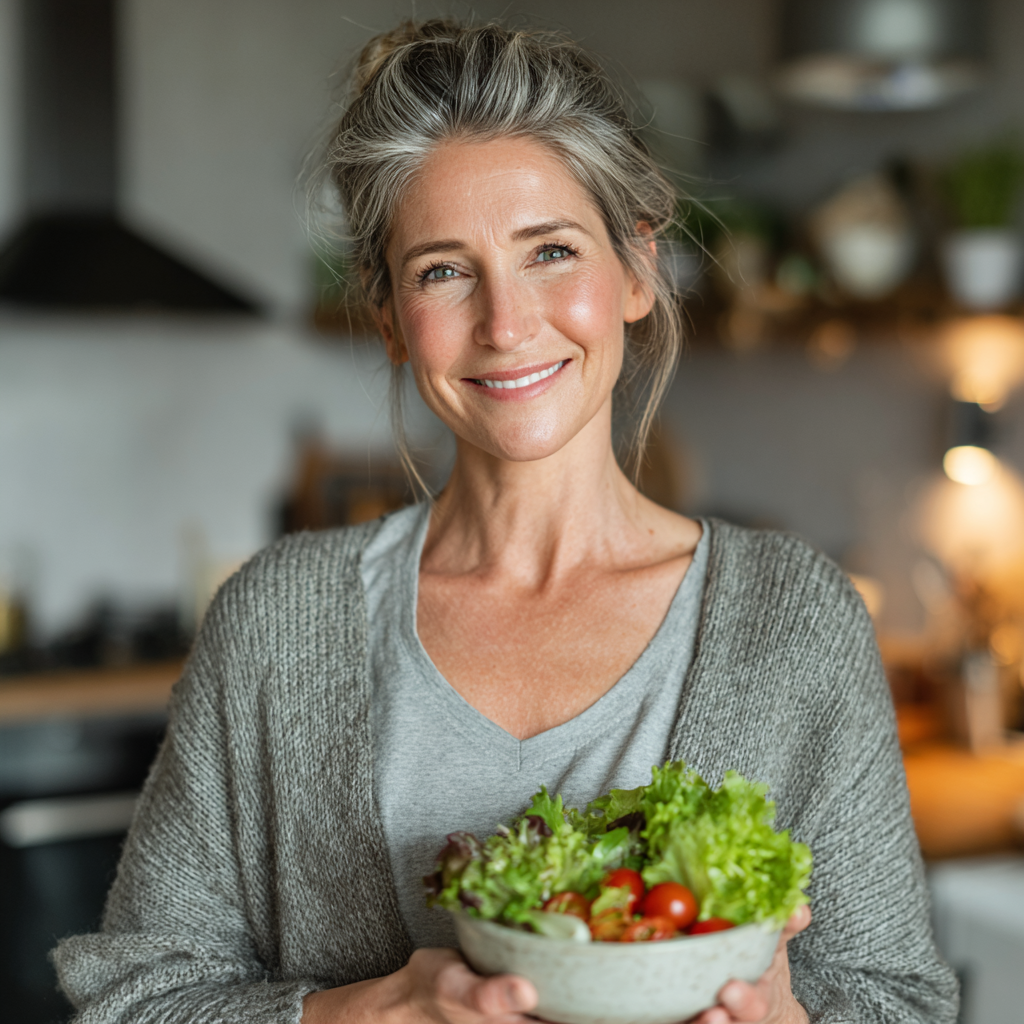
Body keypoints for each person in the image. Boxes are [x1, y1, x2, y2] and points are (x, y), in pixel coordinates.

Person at [55, 19, 957, 1024]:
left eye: (550, 252)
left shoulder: (796, 619)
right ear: (390, 315)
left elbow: (900, 1003)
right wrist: (372, 1011)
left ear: (636, 271)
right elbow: (135, 998)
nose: (506, 321)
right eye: (444, 269)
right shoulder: (276, 620)